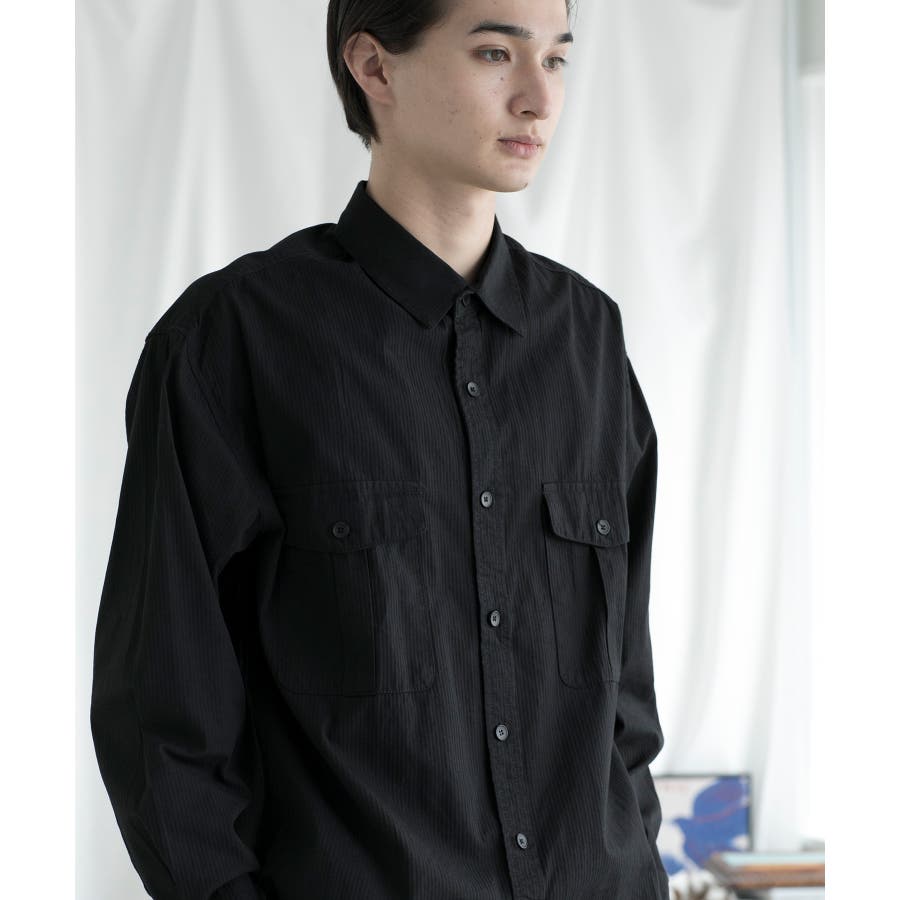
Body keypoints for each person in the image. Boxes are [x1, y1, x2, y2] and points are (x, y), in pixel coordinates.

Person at [90, 1, 669, 898]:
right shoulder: (236, 339)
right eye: (495, 53)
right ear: (374, 66)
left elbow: (623, 698)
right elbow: (161, 715)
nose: (537, 98)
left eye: (556, 60)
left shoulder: (588, 339)